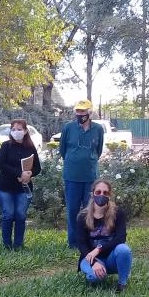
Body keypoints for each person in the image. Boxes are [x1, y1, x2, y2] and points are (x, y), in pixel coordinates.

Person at [59, 99, 104, 248]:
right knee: (72, 210)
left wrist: (88, 160)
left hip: (90, 176)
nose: (80, 114)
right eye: (78, 111)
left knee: (90, 209)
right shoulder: (68, 128)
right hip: (72, 176)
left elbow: (99, 151)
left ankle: (90, 240)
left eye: (83, 111)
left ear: (89, 112)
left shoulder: (98, 129)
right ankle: (73, 242)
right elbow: (62, 150)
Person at [77, 179, 131, 292]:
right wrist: (94, 262)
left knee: (124, 249)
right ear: (92, 194)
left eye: (105, 193)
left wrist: (98, 249)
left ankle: (122, 284)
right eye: (98, 192)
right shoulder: (83, 216)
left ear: (109, 195)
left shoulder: (118, 213)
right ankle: (99, 272)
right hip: (89, 258)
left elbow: (121, 238)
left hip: (111, 257)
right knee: (95, 277)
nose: (101, 195)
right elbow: (81, 244)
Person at [0, 119, 42, 250]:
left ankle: (18, 245)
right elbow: (2, 164)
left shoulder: (31, 147)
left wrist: (29, 174)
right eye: (14, 129)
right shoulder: (6, 146)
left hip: (24, 189)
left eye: (19, 129)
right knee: (8, 214)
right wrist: (19, 174)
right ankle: (7, 245)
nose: (16, 132)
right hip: (5, 187)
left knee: (20, 215)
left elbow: (38, 167)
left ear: (25, 131)